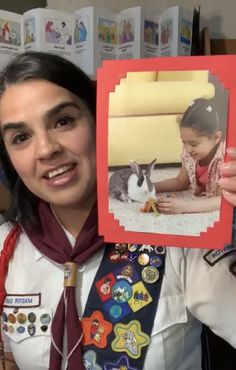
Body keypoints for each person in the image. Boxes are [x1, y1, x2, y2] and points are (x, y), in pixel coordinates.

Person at [0, 51, 236, 370]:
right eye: (21, 137)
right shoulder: (7, 249)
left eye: (64, 120)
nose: (46, 148)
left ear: (100, 120)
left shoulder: (179, 236)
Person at [155, 97, 226, 214]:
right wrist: (153, 186)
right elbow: (180, 182)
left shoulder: (223, 159)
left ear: (216, 138)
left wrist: (186, 206)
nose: (187, 149)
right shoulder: (189, 154)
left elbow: (221, 200)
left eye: (193, 144)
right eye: (184, 142)